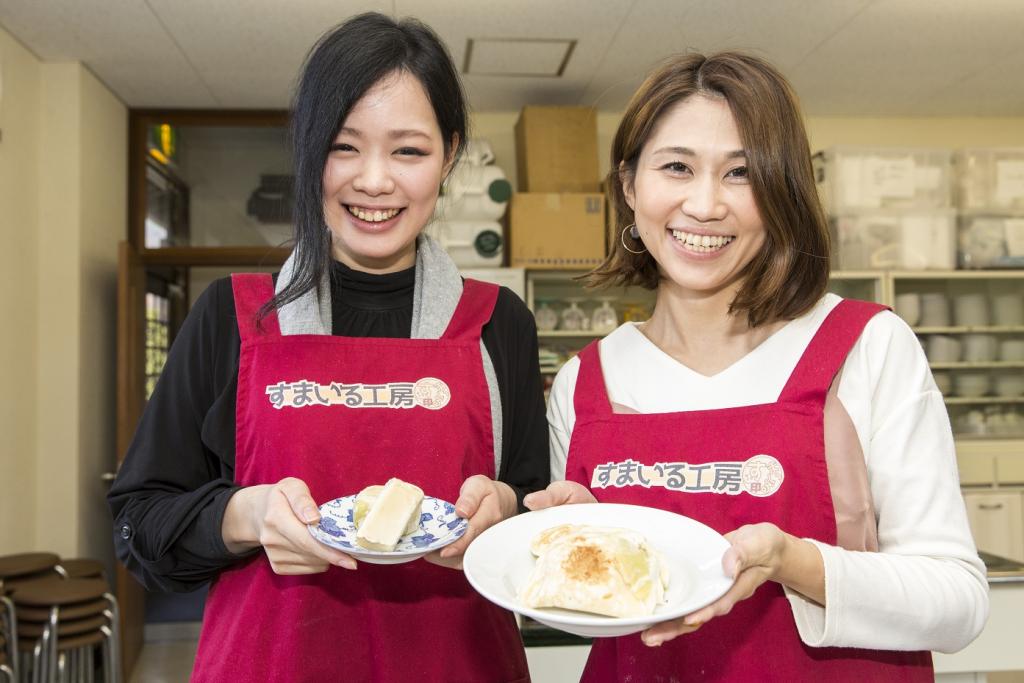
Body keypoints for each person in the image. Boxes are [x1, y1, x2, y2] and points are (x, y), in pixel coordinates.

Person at [108, 13, 546, 683]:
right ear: (309, 151)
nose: (374, 181)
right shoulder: (231, 316)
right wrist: (242, 515)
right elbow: (138, 525)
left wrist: (507, 510)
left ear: (450, 154)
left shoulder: (498, 323)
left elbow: (538, 518)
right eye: (344, 146)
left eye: (408, 150)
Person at [525, 52, 988, 682]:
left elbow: (957, 603)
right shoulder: (587, 379)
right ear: (631, 186)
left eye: (741, 173)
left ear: (782, 193)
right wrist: (575, 546)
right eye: (676, 167)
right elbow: (582, 620)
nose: (705, 204)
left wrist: (793, 562)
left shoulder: (864, 346)